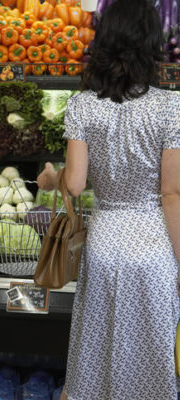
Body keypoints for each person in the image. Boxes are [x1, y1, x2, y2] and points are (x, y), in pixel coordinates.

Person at [37, 0, 180, 398]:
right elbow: (171, 193)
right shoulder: (171, 107)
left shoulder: (83, 104)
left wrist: (52, 179)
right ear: (151, 44)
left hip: (103, 242)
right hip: (153, 246)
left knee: (94, 350)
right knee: (151, 355)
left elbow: (77, 183)